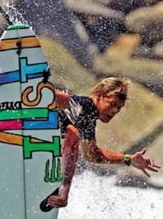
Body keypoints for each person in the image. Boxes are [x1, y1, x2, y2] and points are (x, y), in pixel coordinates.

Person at [47, 77, 161, 208]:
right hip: (25, 126)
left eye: (119, 107)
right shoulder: (84, 106)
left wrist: (128, 159)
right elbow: (60, 98)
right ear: (99, 95)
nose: (115, 111)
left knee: (72, 136)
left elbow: (92, 155)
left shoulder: (87, 117)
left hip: (29, 140)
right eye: (112, 104)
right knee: (72, 135)